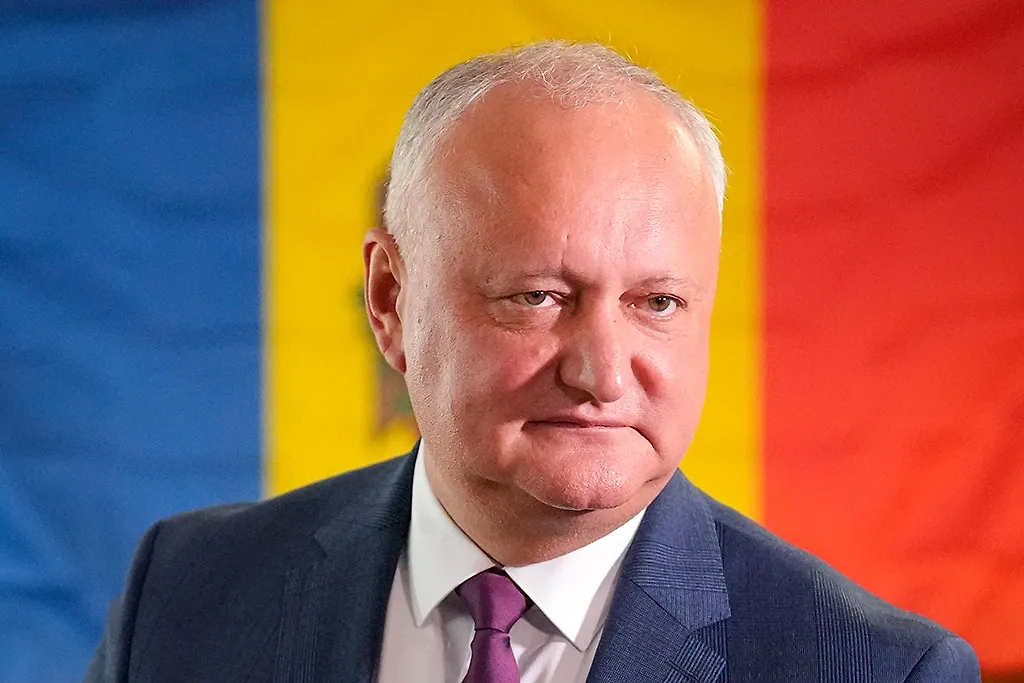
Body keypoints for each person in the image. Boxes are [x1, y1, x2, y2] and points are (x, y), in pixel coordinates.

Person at [85, 41, 980, 683]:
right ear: (390, 301)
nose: (603, 373)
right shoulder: (186, 592)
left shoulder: (875, 668)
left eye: (656, 303)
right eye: (539, 296)